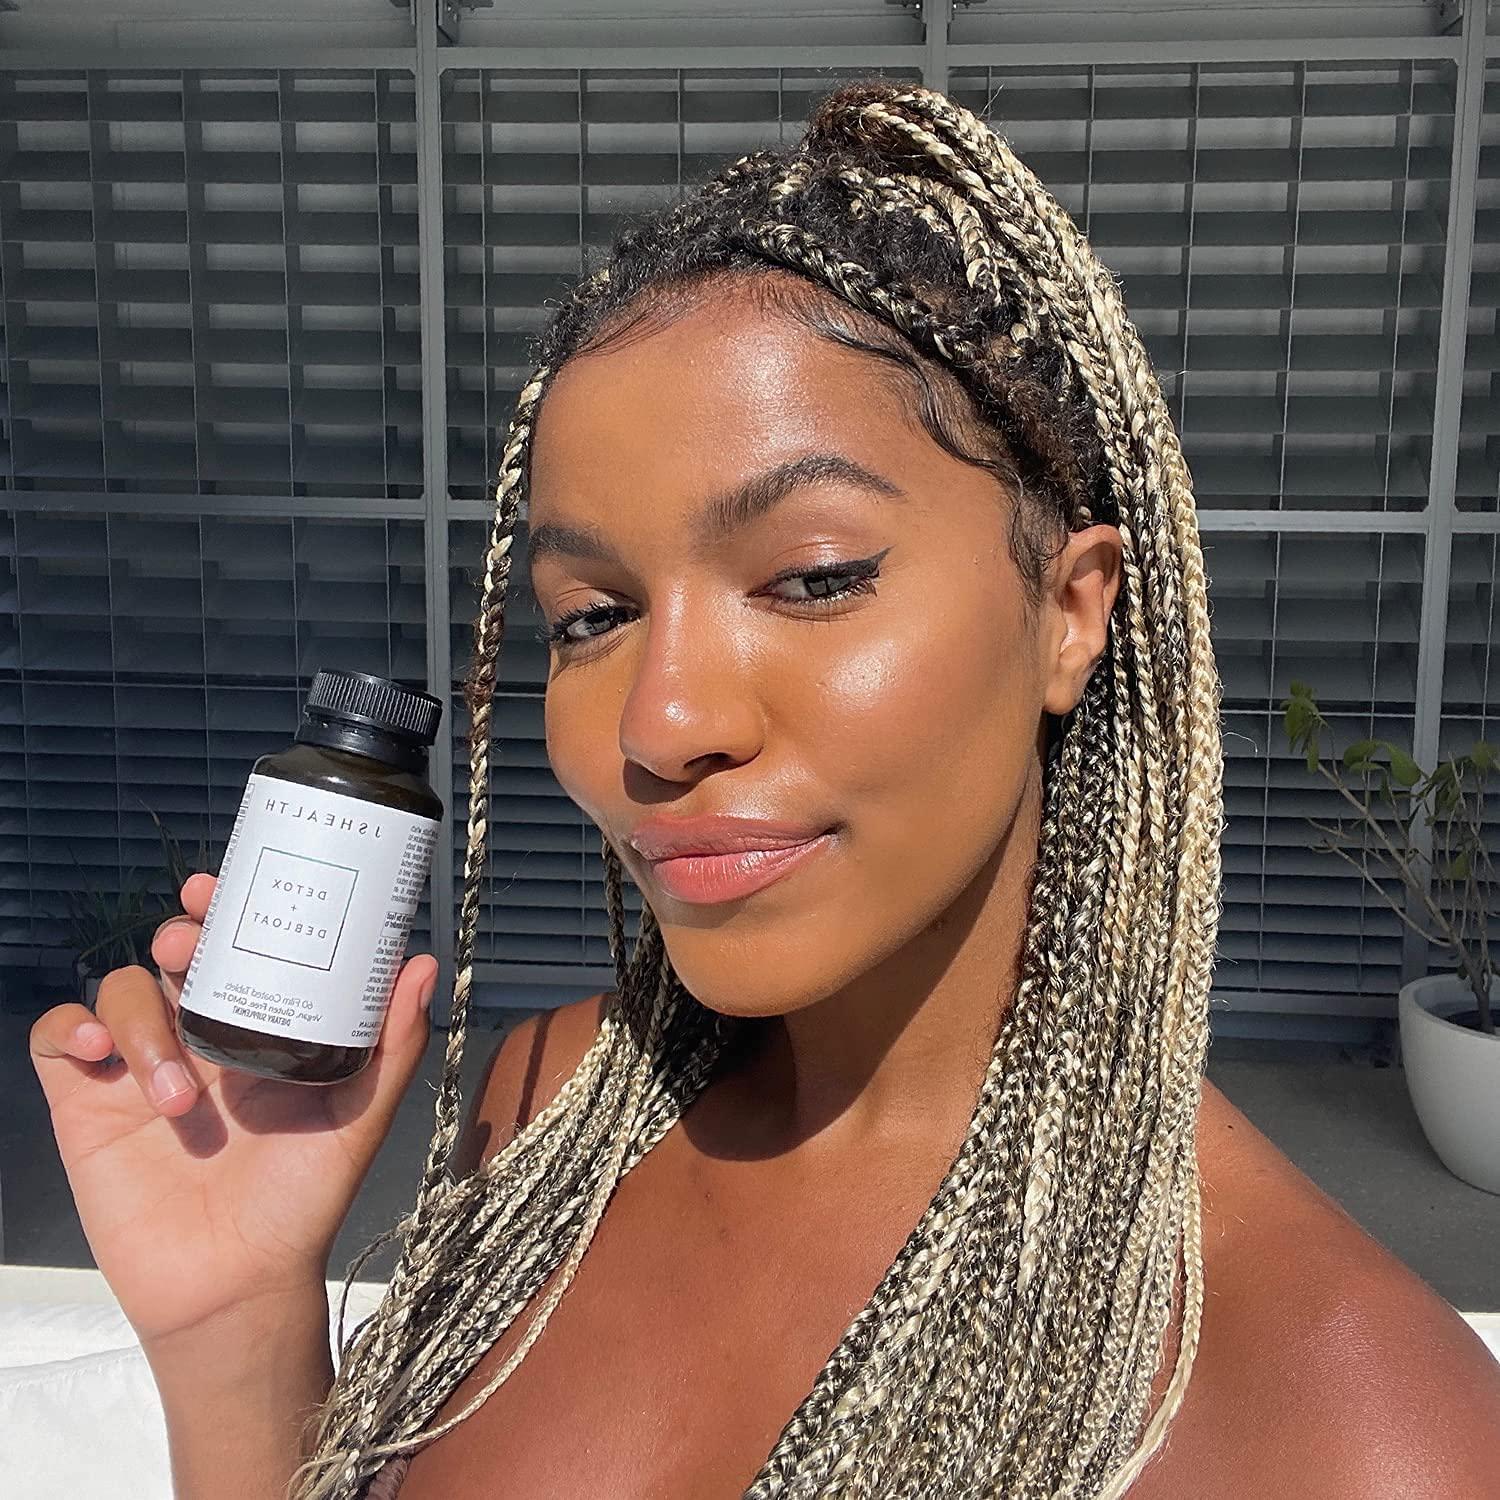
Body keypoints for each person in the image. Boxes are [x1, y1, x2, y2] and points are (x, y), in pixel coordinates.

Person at [29, 79, 1500, 1500]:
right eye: (593, 616)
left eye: (813, 577)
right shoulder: (547, 1109)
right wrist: (236, 1322)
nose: (660, 724)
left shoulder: (1355, 1430)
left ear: (1069, 611)